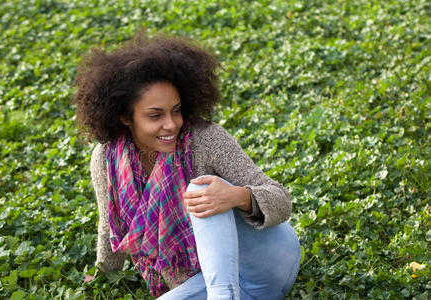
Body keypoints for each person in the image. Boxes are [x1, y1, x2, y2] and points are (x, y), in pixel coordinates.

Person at [74, 31, 301, 300]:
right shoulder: (106, 159)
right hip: (203, 282)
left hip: (268, 264)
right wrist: (102, 275)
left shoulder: (205, 140)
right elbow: (108, 226)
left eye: (176, 110)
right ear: (124, 116)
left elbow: (281, 200)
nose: (171, 124)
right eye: (155, 115)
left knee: (201, 190)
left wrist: (237, 196)